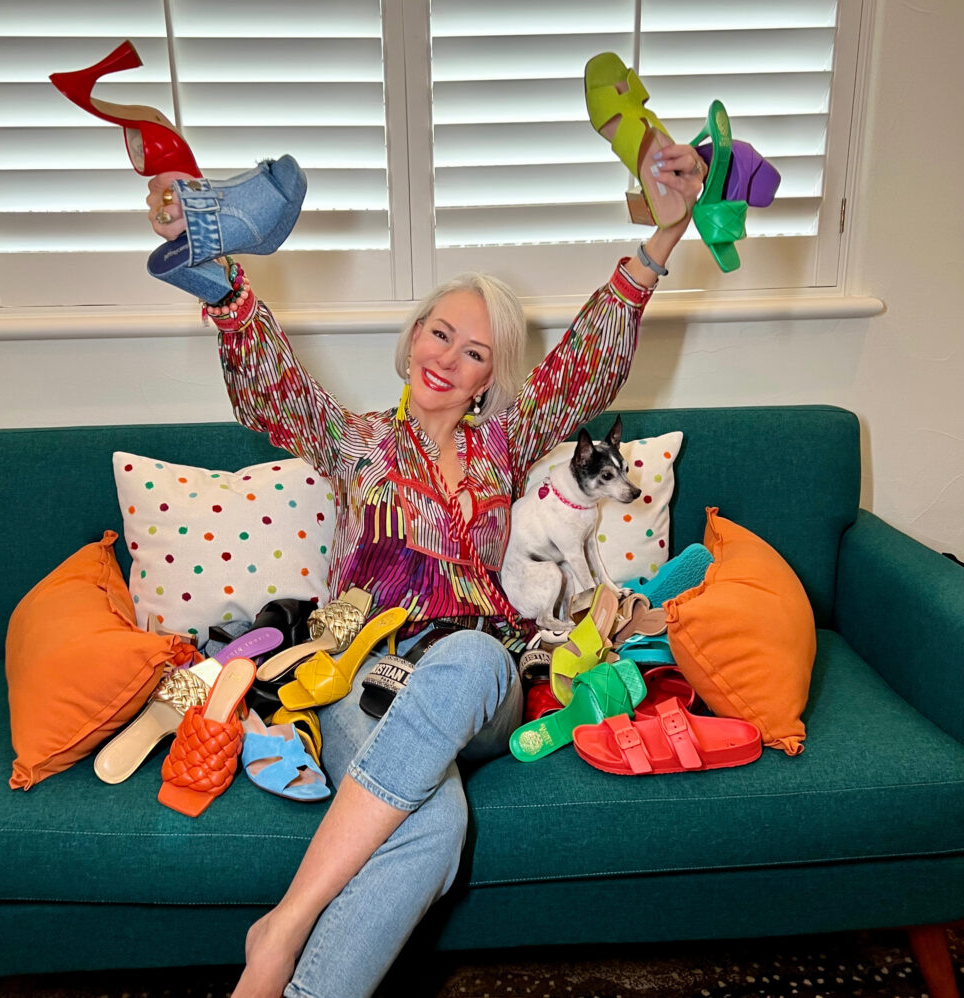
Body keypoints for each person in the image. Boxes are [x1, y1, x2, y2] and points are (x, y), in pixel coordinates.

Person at [145, 78, 705, 998]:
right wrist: (225, 286)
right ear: (411, 342)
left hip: (474, 679)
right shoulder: (354, 440)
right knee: (433, 832)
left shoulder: (506, 444)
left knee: (480, 656)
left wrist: (666, 232)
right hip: (355, 673)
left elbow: (585, 366)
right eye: (440, 333)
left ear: (490, 379)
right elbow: (274, 388)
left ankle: (280, 926)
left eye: (475, 350)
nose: (449, 355)